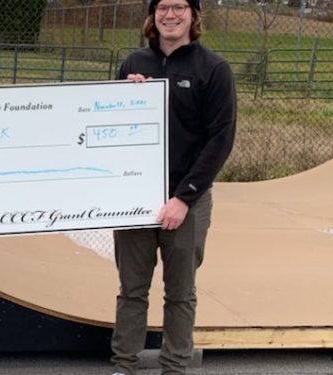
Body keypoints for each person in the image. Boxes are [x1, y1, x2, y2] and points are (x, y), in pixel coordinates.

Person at [110, 0, 237, 374]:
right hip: (136, 198)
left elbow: (220, 139)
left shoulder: (213, 69)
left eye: (179, 7)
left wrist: (184, 197)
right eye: (163, 7)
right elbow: (110, 125)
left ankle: (175, 366)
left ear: (193, 16)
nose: (170, 15)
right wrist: (127, 97)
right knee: (131, 289)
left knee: (180, 293)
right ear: (153, 15)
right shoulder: (134, 64)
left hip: (188, 201)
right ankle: (124, 364)